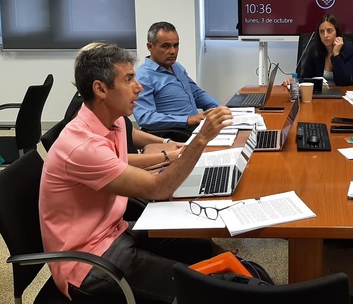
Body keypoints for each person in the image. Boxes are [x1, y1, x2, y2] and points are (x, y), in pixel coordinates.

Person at [39, 43, 234, 302]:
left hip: (114, 230)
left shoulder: (114, 121)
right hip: (88, 262)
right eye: (129, 79)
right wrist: (200, 141)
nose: (139, 86)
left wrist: (171, 155)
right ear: (100, 89)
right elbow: (158, 189)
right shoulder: (81, 145)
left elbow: (116, 161)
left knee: (201, 246)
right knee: (195, 289)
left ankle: (238, 281)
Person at [134, 21, 219, 136]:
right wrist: (187, 120)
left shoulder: (176, 66)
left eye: (176, 45)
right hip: (176, 133)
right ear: (150, 47)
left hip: (194, 128)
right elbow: (145, 117)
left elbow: (197, 94)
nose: (173, 51)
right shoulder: (143, 76)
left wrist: (221, 109)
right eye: (166, 46)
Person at [287, 14, 353, 86]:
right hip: (320, 94)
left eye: (329, 31)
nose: (325, 35)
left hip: (341, 94)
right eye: (322, 32)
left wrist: (336, 54)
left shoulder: (349, 50)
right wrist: (295, 80)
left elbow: (344, 82)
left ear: (337, 32)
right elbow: (306, 78)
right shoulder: (315, 50)